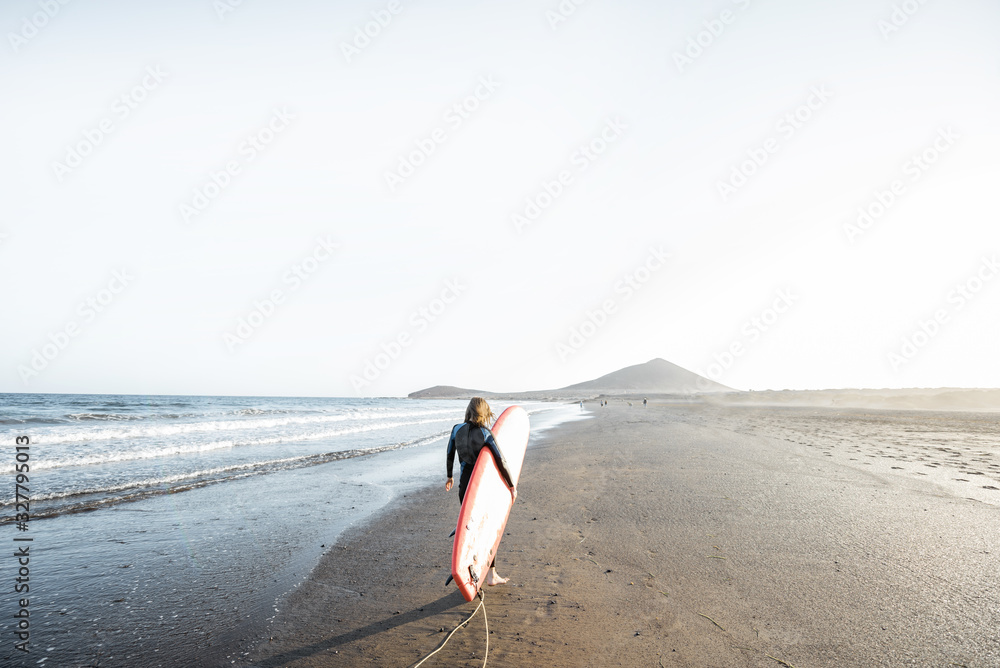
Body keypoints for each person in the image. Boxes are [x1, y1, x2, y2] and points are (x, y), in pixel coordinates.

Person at [445, 397, 516, 586]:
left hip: (464, 489)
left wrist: (449, 476)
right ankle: (491, 575)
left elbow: (450, 452)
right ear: (484, 412)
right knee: (488, 530)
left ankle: (468, 567)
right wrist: (511, 486)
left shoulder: (456, 429)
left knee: (470, 529)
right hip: (481, 491)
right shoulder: (485, 434)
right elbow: (501, 461)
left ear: (468, 411)